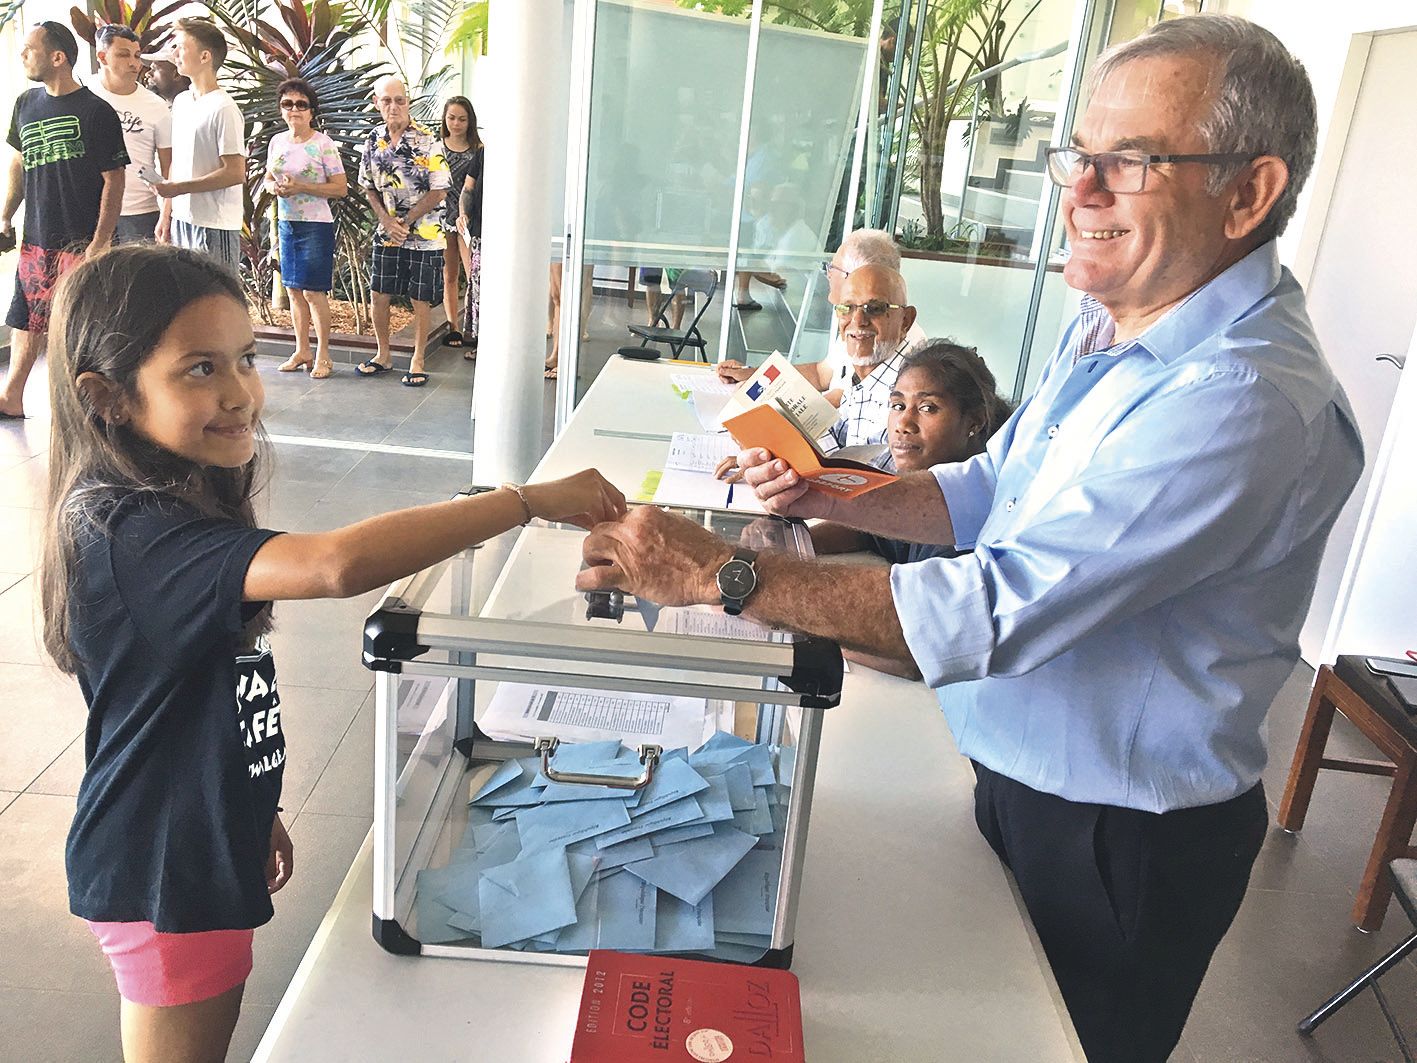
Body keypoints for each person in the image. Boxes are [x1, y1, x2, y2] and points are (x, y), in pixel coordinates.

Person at [576, 16, 1364, 1062]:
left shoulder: (1241, 397)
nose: (1076, 191)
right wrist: (838, 492)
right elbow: (996, 486)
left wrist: (718, 572)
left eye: (1125, 163)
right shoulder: (1123, 324)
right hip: (1019, 775)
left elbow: (990, 605)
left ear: (1248, 193)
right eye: (1075, 156)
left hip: (1114, 836)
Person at [39, 242, 625, 1063]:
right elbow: (334, 563)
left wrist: (253, 803)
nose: (240, 392)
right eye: (199, 369)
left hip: (201, 838)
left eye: (246, 358)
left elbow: (198, 693)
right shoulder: (130, 531)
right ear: (105, 397)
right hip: (161, 864)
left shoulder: (167, 503)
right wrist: (521, 501)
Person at [809, 339, 1012, 678]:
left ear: (973, 422)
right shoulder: (920, 480)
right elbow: (873, 534)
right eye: (897, 405)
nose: (904, 423)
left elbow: (912, 652)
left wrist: (804, 625)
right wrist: (799, 544)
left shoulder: (971, 516)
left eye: (928, 408)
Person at [0, 21, 127, 420]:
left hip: (80, 240)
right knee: (26, 318)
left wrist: (100, 241)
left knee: (75, 326)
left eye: (29, 48)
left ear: (58, 58)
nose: (24, 55)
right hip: (37, 237)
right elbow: (19, 164)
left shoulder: (97, 112)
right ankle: (12, 396)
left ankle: (78, 407)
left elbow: (114, 179)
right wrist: (5, 215)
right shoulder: (25, 104)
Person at [716, 226, 926, 402]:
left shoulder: (885, 338)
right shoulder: (851, 319)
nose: (827, 274)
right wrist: (753, 374)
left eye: (831, 267)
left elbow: (840, 403)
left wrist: (761, 402)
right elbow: (821, 374)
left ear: (854, 277)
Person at [355, 75, 450, 388]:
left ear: (408, 102)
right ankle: (383, 354)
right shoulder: (373, 139)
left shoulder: (427, 139)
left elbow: (439, 190)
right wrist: (386, 220)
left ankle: (418, 358)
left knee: (420, 298)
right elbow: (367, 186)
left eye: (399, 100)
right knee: (379, 293)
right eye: (387, 100)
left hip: (424, 235)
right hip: (388, 233)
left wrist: (405, 222)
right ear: (376, 103)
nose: (393, 106)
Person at [263, 77, 346, 379]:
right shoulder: (277, 142)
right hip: (287, 223)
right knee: (294, 290)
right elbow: (268, 178)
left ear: (311, 111)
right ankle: (302, 350)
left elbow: (340, 188)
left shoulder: (323, 144)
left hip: (316, 225)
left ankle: (324, 354)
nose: (294, 109)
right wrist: (275, 188)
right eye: (288, 104)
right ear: (281, 110)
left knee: (314, 292)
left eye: (301, 105)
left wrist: (302, 187)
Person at [153, 17, 245, 271]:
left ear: (205, 57)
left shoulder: (224, 107)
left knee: (219, 299)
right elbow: (178, 161)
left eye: (181, 47)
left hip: (215, 223)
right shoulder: (182, 101)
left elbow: (235, 172)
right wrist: (166, 213)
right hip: (182, 219)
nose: (175, 53)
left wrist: (181, 188)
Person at [89, 24, 172, 246]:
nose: (134, 63)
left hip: (141, 212)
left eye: (137, 56)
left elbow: (169, 167)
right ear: (102, 57)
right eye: (124, 55)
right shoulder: (84, 95)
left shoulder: (156, 106)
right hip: (91, 211)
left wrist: (166, 213)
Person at [826, 264, 917, 448]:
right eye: (847, 307)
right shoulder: (866, 376)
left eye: (875, 308)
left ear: (905, 321)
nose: (858, 320)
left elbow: (874, 473)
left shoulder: (910, 390)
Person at [438, 96, 479, 354]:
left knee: (473, 273)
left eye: (462, 119)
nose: (456, 123)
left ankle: (473, 327)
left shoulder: (479, 149)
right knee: (449, 275)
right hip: (441, 218)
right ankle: (452, 324)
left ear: (470, 121)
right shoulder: (435, 147)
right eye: (451, 117)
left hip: (468, 220)